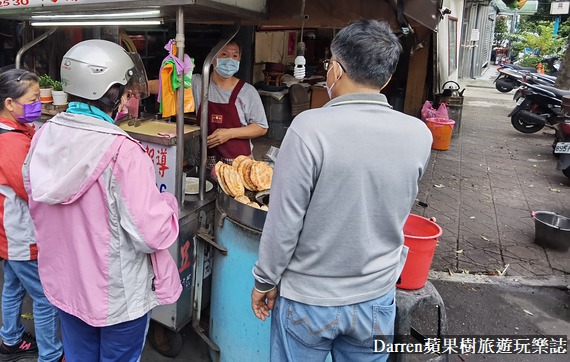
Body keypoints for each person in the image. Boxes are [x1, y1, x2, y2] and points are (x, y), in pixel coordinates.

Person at [251, 19, 433, 361]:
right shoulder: (419, 133)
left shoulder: (309, 128)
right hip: (377, 300)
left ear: (335, 69)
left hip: (309, 301)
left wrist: (264, 281)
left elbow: (284, 223)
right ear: (387, 78)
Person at [23, 39, 182, 362]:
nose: (126, 97)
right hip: (116, 296)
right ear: (111, 92)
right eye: (123, 90)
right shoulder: (124, 152)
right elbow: (152, 234)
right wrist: (169, 206)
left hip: (68, 283)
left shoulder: (44, 135)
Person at [0, 69, 63, 362]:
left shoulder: (4, 127)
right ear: (10, 103)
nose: (39, 104)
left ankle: (11, 341)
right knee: (45, 297)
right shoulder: (11, 143)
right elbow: (34, 190)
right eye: (34, 99)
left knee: (13, 285)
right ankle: (51, 355)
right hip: (20, 233)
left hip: (5, 228)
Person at [149, 40, 268, 162]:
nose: (230, 60)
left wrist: (229, 133)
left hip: (240, 162)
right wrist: (138, 86)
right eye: (224, 54)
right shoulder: (199, 84)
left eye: (235, 56)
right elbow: (165, 86)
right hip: (207, 160)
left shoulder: (247, 91)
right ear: (212, 59)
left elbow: (261, 127)